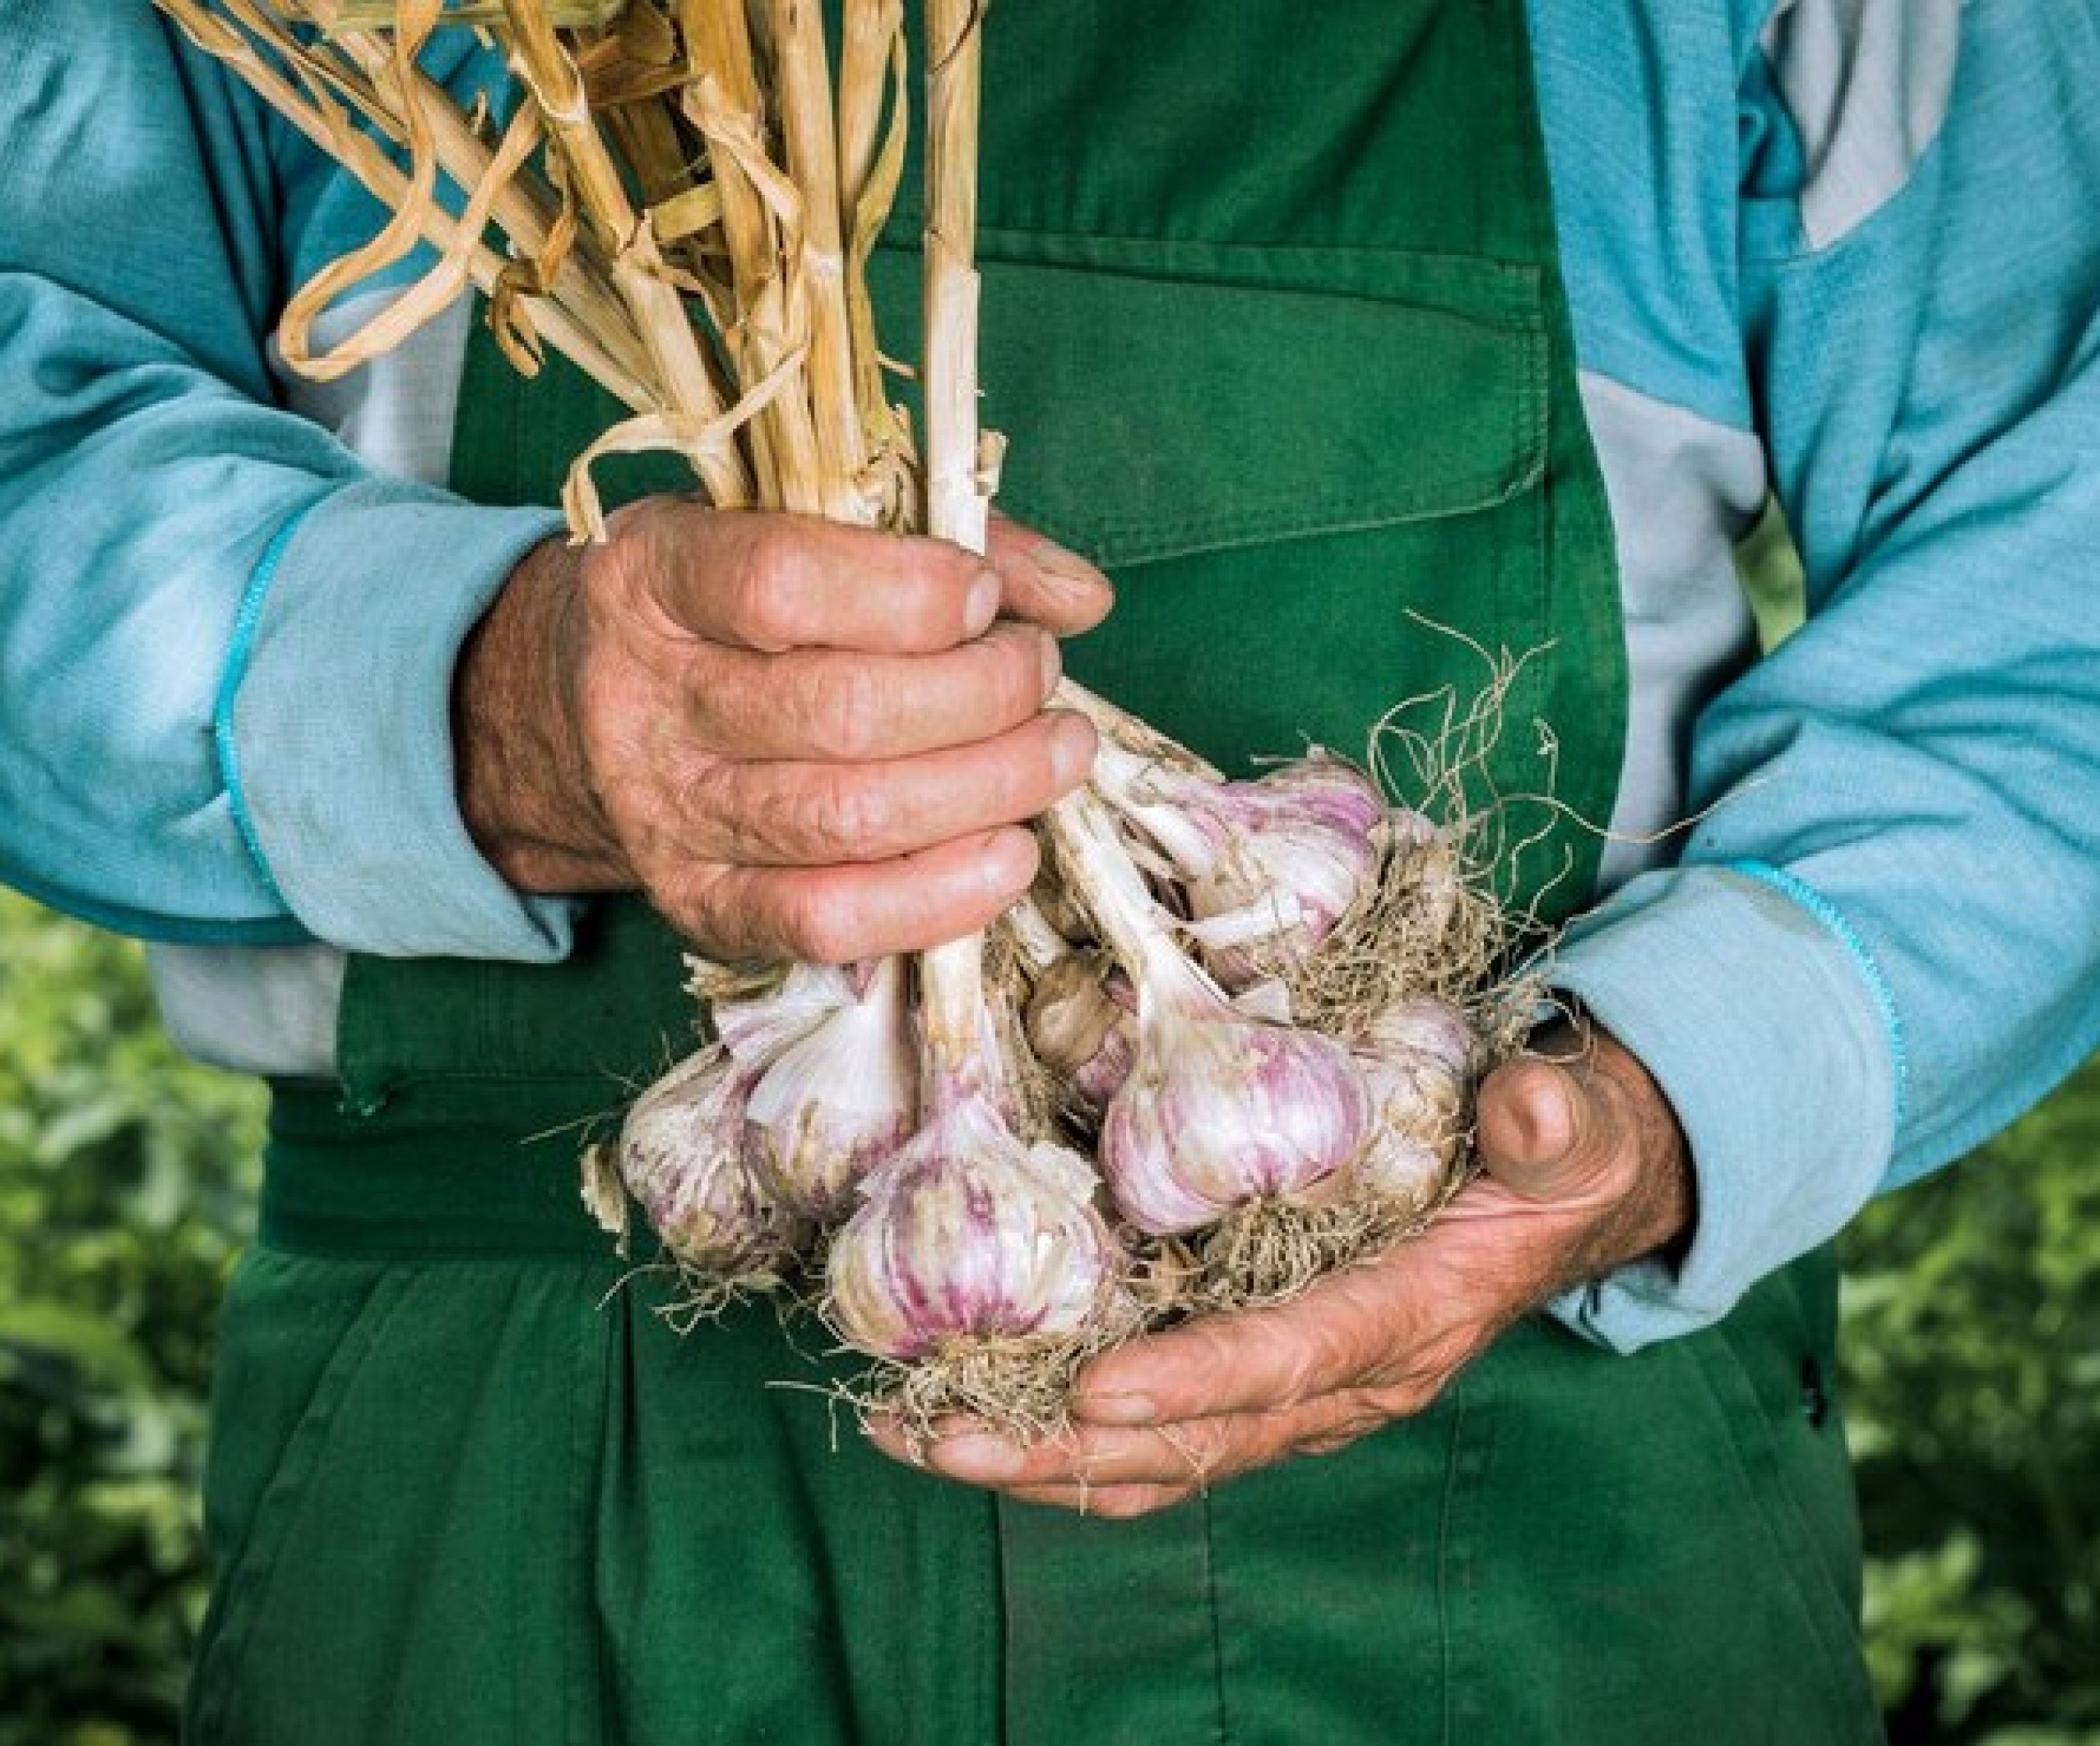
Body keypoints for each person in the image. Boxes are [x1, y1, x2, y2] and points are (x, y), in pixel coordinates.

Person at [5, 3, 2098, 1740]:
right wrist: (495, 702)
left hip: (1525, 1502)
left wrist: (1656, 1107)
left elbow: (2056, 606)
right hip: (503, 1506)